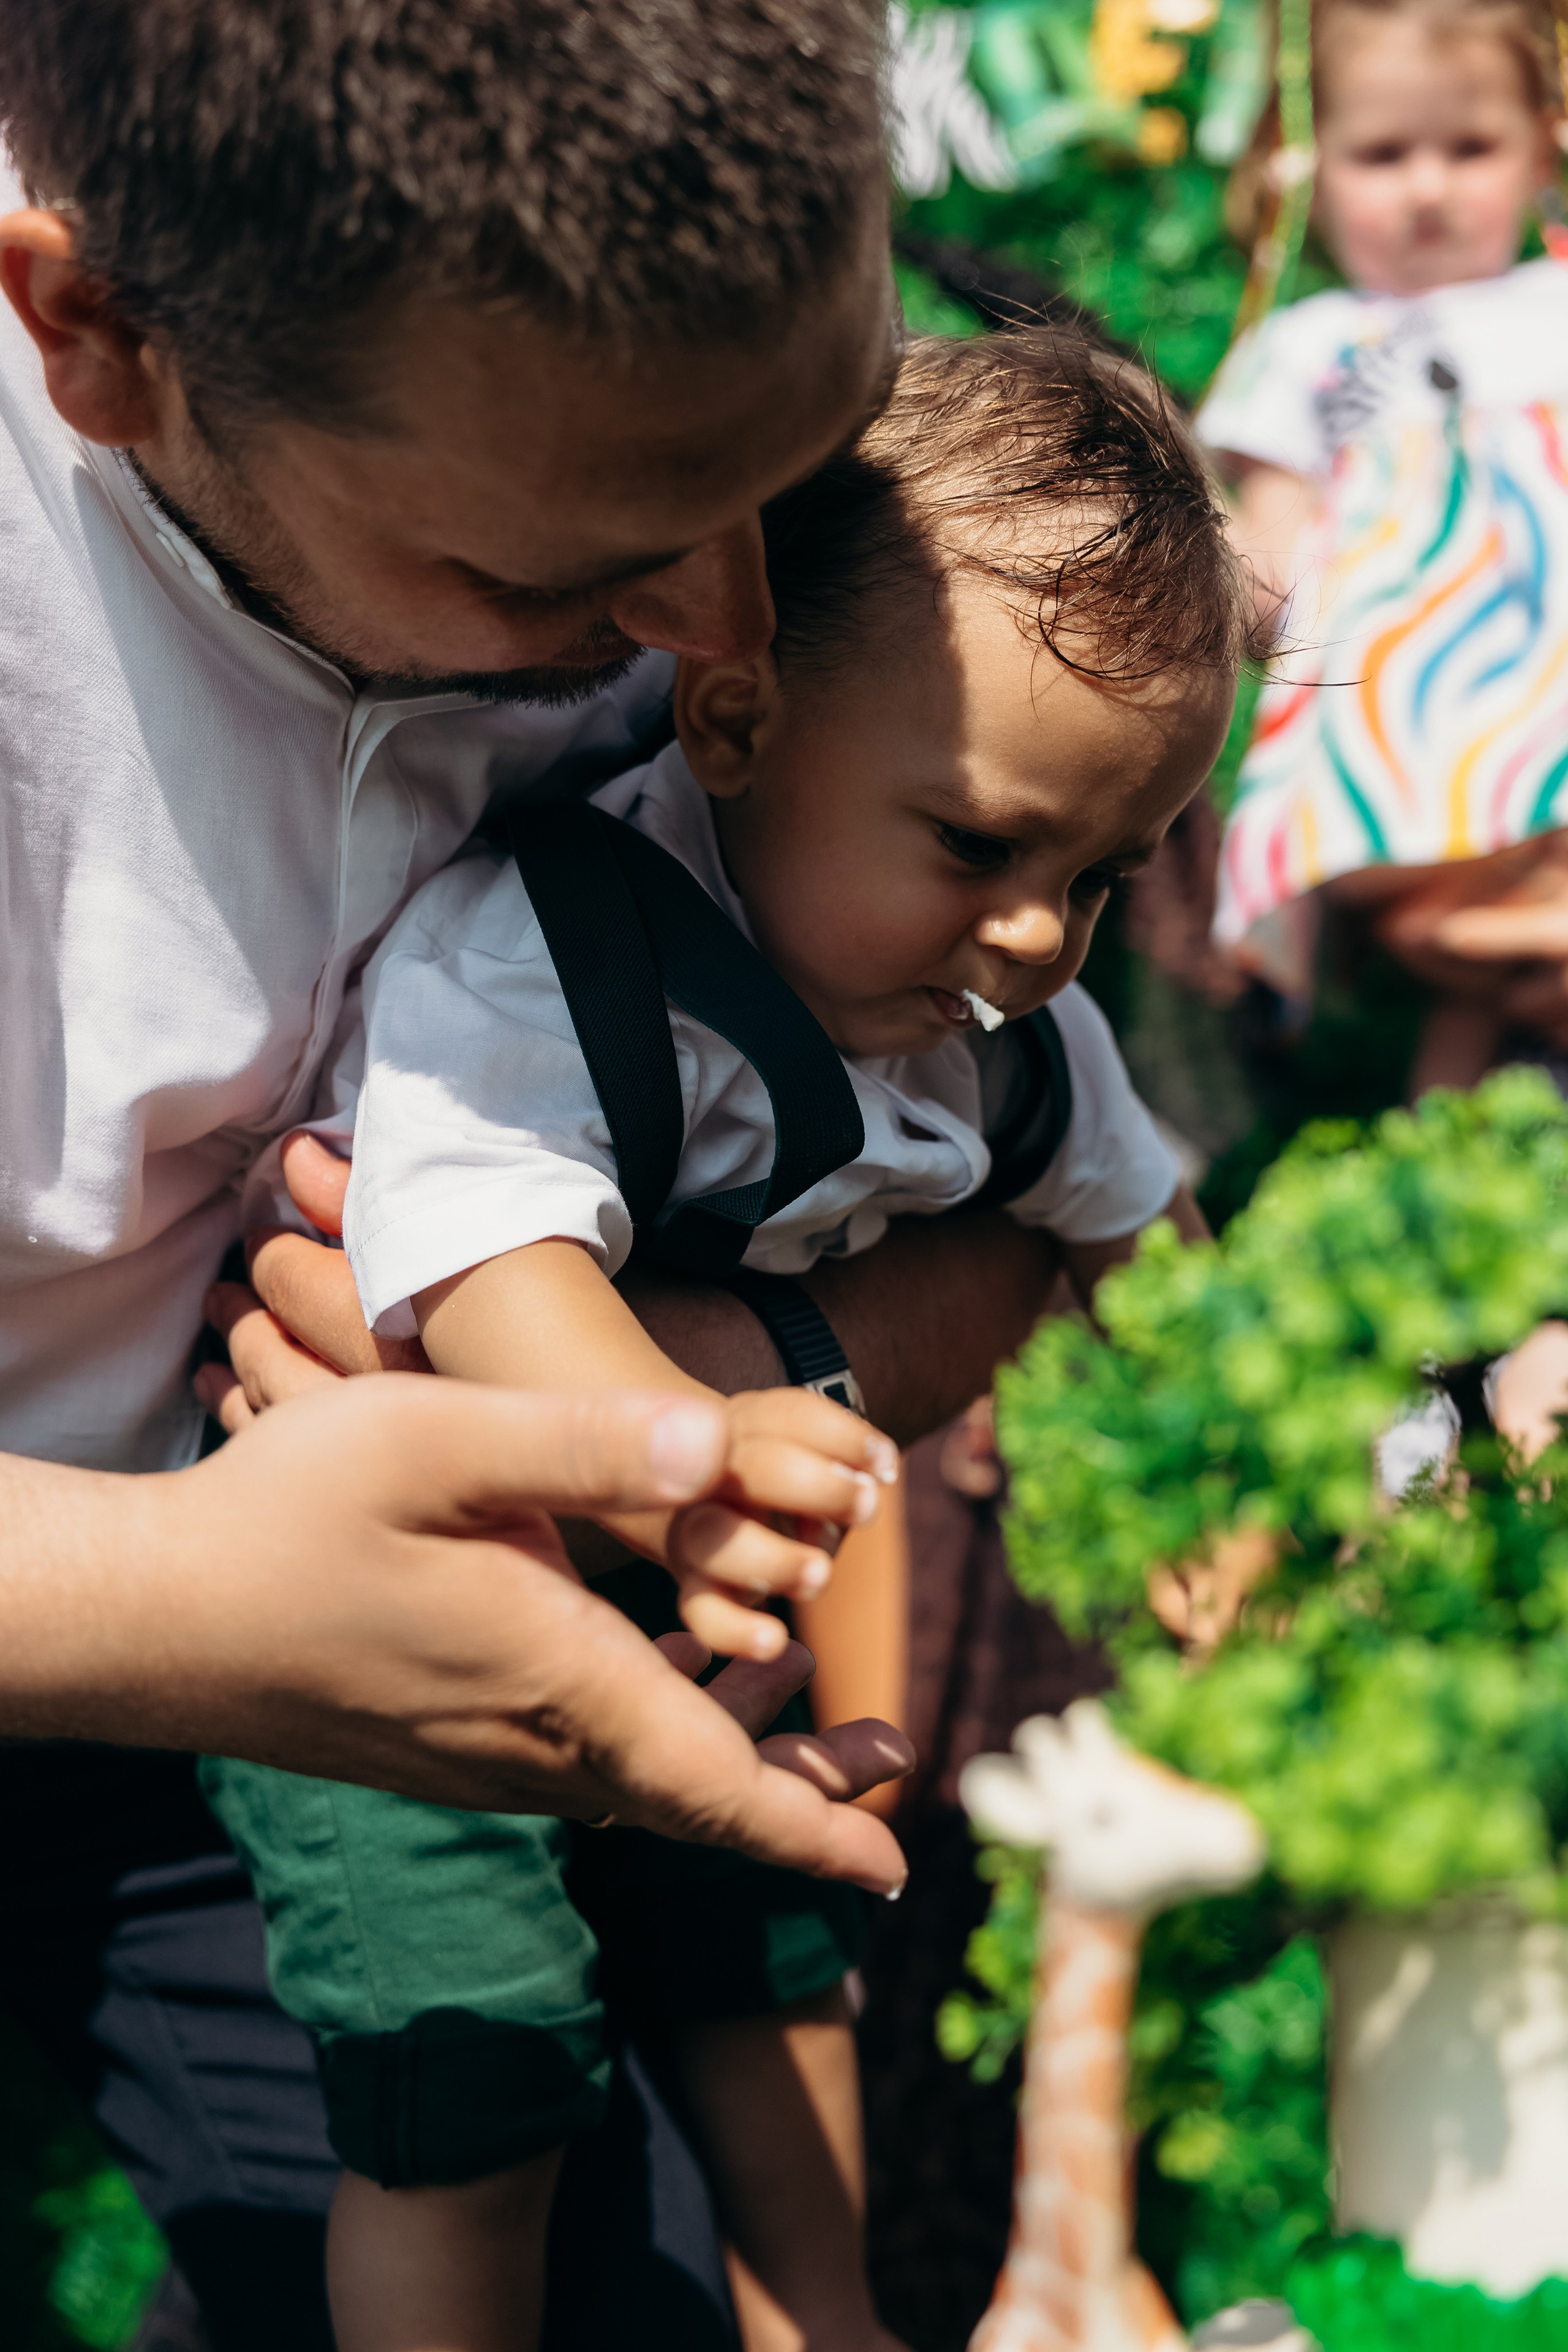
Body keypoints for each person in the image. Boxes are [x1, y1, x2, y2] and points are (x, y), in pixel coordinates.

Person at [0, 1, 1063, 2337]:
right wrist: (192, 1594)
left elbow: (1025, 1190)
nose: (724, 639)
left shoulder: (662, 380)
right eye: (568, 571)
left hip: (341, 1667)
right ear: (96, 338)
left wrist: (702, 1374)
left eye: (776, 496)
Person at [202, 325, 1245, 2352]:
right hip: (391, 1612)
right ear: (742, 720)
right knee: (471, 2065)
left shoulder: (1004, 1036)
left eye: (1099, 875)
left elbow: (1149, 1228)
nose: (1035, 935)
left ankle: (826, 2320)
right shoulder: (549, 948)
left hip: (689, 1615)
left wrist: (1212, 1457)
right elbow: (485, 1260)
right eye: (975, 846)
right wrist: (693, 1459)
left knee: (777, 1964)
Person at [1200, 0, 1568, 1092]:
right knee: (1465, 942)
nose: (1427, 187)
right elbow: (1272, 546)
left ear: (1545, 142)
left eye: (1470, 147)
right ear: (1306, 169)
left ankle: (1462, 1145)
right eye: (1382, 153)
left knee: (1476, 1000)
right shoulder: (1311, 347)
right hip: (1418, 730)